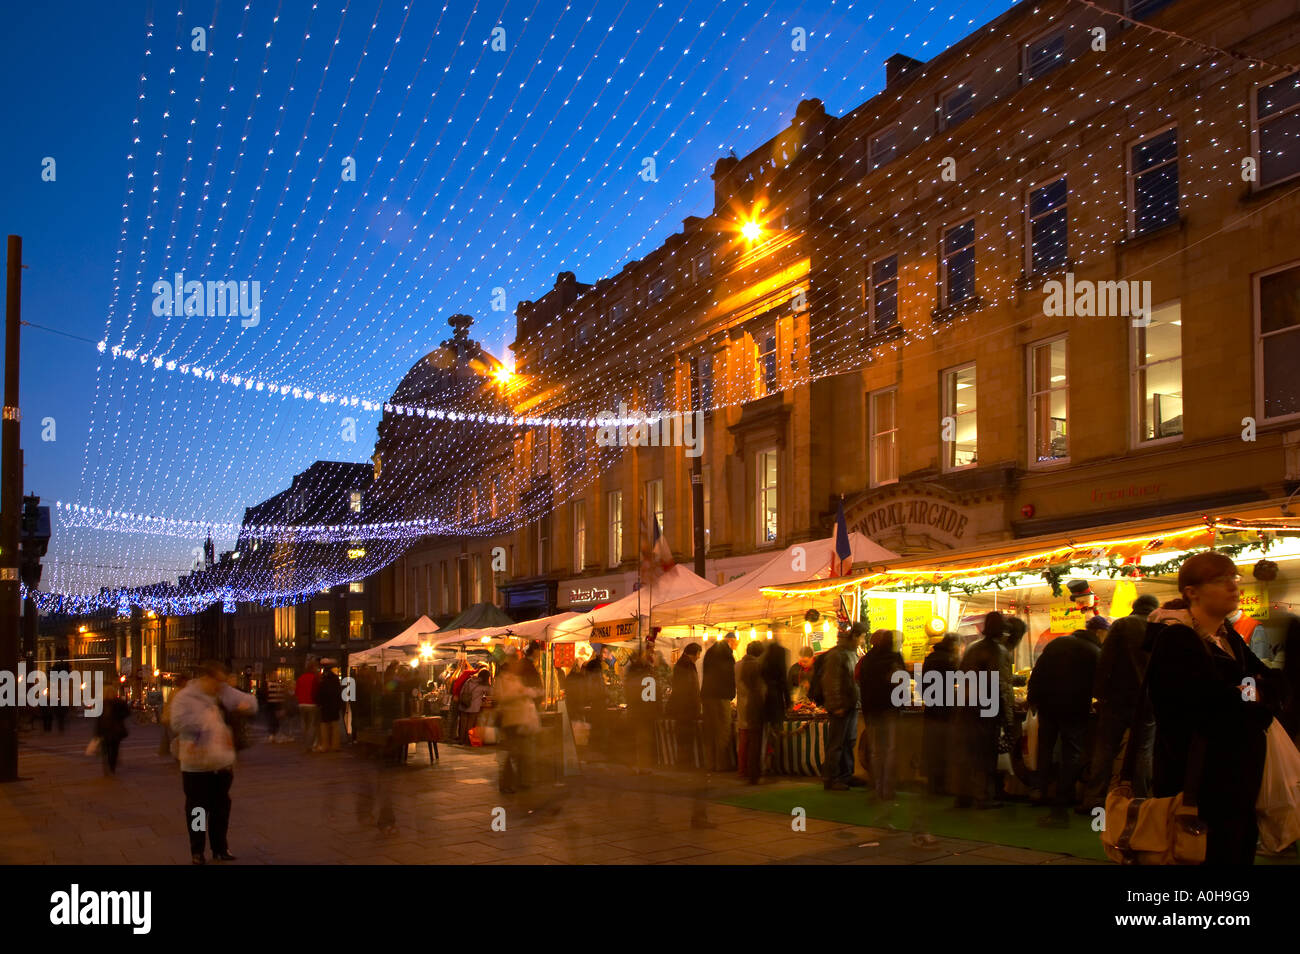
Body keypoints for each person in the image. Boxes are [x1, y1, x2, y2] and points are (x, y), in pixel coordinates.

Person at [1145, 553, 1274, 865]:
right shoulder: (1176, 640)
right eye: (1220, 580)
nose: (1233, 587)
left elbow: (1272, 685)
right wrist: (1249, 697)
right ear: (1192, 592)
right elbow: (1209, 709)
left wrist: (1247, 695)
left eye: (1234, 578)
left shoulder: (1229, 638)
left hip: (1238, 782)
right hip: (1198, 784)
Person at [169, 660, 257, 864]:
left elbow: (251, 702)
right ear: (206, 678)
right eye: (217, 681)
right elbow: (177, 722)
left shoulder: (224, 692)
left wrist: (245, 706)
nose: (220, 686)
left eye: (222, 682)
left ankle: (220, 848)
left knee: (221, 808)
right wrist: (206, 721)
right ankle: (197, 851)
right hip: (196, 765)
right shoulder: (186, 697)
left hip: (221, 763)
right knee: (198, 810)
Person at [1084, 594, 1160, 812]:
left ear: (1134, 607)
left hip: (1117, 698)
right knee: (1143, 750)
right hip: (1148, 701)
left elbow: (1105, 660)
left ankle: (1094, 797)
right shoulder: (1160, 627)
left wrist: (1099, 693)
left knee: (1106, 748)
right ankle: (1140, 799)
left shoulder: (1123, 625)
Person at [1028, 617, 1105, 824]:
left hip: (1047, 705)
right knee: (1071, 753)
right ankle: (1062, 798)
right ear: (1099, 632)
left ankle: (1039, 790)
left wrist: (1032, 697)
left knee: (1045, 748)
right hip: (1074, 708)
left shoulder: (1058, 643)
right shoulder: (1095, 653)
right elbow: (1100, 685)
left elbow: (1038, 671)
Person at [954, 612, 1011, 809]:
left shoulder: (971, 648)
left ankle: (963, 795)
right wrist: (1009, 717)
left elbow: (960, 676)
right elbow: (1003, 685)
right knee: (986, 754)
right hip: (988, 707)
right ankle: (983, 796)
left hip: (967, 706)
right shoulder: (999, 651)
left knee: (968, 752)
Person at [859, 629, 908, 801]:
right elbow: (900, 682)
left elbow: (860, 682)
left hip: (870, 709)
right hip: (889, 708)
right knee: (890, 749)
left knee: (875, 751)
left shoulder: (867, 659)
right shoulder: (894, 658)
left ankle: (877, 786)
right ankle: (887, 789)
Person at [822, 624, 862, 791]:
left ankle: (846, 775)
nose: (862, 640)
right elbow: (832, 682)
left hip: (851, 704)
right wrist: (837, 704)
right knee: (837, 742)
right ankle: (832, 778)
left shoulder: (851, 653)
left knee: (848, 741)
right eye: (862, 637)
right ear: (854, 637)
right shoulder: (837, 655)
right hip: (841, 705)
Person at [922, 634, 961, 794]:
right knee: (944, 747)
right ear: (954, 645)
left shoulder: (930, 658)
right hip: (945, 708)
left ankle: (933, 783)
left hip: (931, 707)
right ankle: (942, 785)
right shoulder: (950, 660)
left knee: (932, 747)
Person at [496, 655, 541, 793]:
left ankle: (523, 780)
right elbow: (501, 697)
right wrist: (520, 693)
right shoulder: (502, 680)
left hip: (522, 720)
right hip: (510, 721)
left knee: (523, 751)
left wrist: (532, 692)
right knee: (512, 752)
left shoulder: (517, 679)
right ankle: (506, 784)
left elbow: (524, 694)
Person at [701, 633, 738, 773]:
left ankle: (710, 763)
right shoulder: (726, 654)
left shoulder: (711, 652)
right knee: (723, 729)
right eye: (735, 643)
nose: (736, 646)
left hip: (707, 696)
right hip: (721, 696)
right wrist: (732, 694)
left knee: (710, 730)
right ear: (730, 640)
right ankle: (722, 764)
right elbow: (730, 675)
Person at [758, 642, 791, 782]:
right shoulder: (780, 657)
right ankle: (771, 766)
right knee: (774, 735)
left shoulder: (763, 661)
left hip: (764, 701)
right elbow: (784, 681)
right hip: (775, 701)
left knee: (764, 736)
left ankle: (763, 767)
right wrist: (788, 701)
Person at [735, 641, 767, 783]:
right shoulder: (756, 666)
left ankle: (742, 769)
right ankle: (751, 770)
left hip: (742, 704)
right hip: (752, 704)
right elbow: (759, 687)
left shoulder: (737, 665)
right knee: (752, 740)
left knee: (743, 738)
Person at [668, 643, 703, 767]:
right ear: (693, 653)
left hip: (684, 707)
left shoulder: (683, 664)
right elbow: (689, 688)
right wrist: (696, 705)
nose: (699, 657)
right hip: (686, 707)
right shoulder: (686, 665)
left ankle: (684, 762)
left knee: (684, 736)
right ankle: (684, 763)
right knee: (685, 736)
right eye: (698, 654)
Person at [624, 650, 658, 774]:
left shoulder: (630, 673)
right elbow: (651, 695)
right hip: (644, 711)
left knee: (637, 740)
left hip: (635, 711)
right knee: (643, 740)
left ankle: (637, 765)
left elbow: (628, 693)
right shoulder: (646, 672)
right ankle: (643, 766)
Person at [95, 686, 131, 776]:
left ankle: (109, 767)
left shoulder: (107, 703)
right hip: (111, 730)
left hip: (110, 730)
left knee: (109, 750)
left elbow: (99, 719)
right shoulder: (112, 703)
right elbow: (127, 713)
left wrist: (97, 732)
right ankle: (110, 767)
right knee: (110, 749)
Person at [315, 662, 344, 752]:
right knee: (335, 726)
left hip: (325, 706)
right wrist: (339, 704)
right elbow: (339, 692)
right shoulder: (335, 679)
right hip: (334, 705)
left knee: (324, 727)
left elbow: (320, 693)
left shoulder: (322, 679)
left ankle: (325, 745)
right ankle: (335, 745)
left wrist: (319, 703)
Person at [295, 661, 321, 752]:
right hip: (311, 704)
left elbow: (296, 692)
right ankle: (310, 745)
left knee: (304, 725)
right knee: (312, 725)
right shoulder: (315, 678)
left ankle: (305, 743)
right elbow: (317, 691)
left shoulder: (300, 678)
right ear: (313, 668)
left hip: (301, 704)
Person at [460, 670, 491, 744]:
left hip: (464, 704)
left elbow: (462, 691)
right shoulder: (483, 685)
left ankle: (461, 740)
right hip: (474, 707)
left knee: (463, 724)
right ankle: (468, 741)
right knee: (470, 725)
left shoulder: (469, 680)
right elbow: (490, 692)